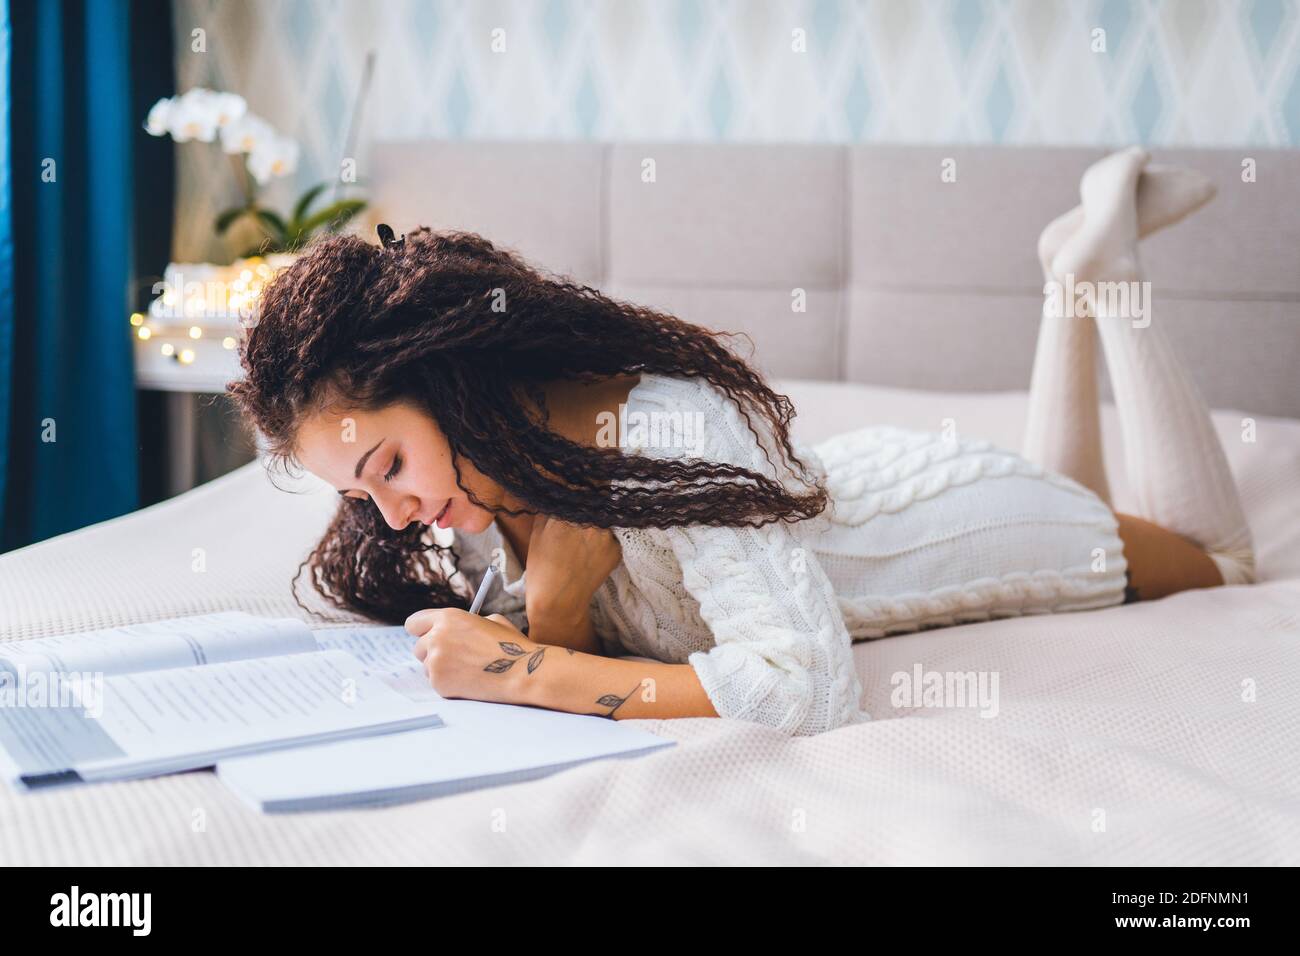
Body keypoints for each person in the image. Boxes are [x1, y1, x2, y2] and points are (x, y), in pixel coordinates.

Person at [227, 147, 1254, 736]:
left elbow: (807, 686)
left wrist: (526, 668)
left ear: (451, 383)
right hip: (877, 487)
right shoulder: (501, 471)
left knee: (1221, 558)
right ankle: (1068, 278)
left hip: (968, 519)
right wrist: (554, 607)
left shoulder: (665, 426)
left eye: (388, 470)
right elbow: (563, 628)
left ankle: (1106, 270)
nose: (394, 512)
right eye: (363, 498)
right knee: (1074, 486)